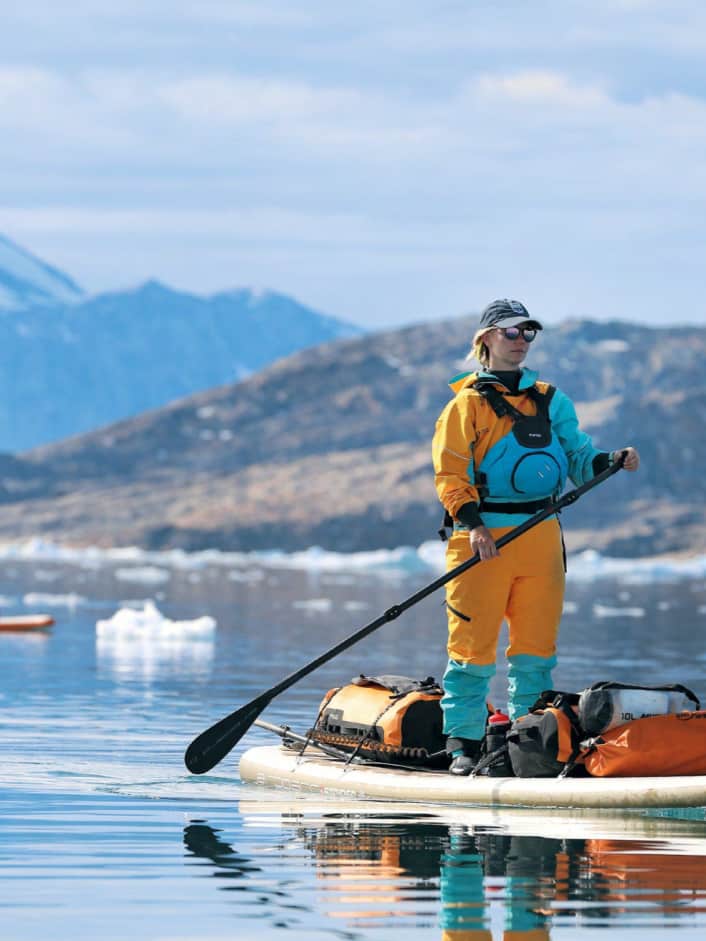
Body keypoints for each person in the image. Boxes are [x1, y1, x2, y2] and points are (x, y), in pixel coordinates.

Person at [432, 299, 640, 775]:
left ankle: (527, 743)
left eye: (528, 332)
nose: (521, 340)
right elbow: (449, 476)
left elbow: (578, 458)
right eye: (511, 332)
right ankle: (462, 745)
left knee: (535, 652)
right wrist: (475, 526)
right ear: (486, 339)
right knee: (472, 650)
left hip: (541, 536)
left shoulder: (551, 400)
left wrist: (611, 460)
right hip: (482, 539)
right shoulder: (465, 406)